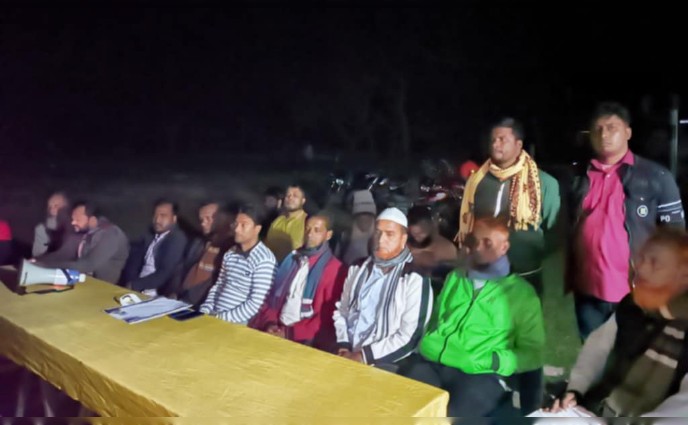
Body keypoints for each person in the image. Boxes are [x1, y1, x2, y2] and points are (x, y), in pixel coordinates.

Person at [567, 102, 685, 339]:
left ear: (628, 132)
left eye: (612, 128)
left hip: (636, 293)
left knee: (631, 354)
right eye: (598, 129)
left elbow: (675, 237)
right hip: (588, 293)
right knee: (592, 354)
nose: (604, 135)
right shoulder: (580, 176)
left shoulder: (656, 177)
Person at [405, 217, 545, 417]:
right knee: (404, 410)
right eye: (474, 241)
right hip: (433, 361)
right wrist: (428, 340)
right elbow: (436, 317)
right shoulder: (456, 277)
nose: (478, 247)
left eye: (487, 243)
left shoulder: (522, 295)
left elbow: (533, 353)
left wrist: (493, 361)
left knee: (449, 418)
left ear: (504, 247)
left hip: (480, 374)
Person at [549, 228, 688, 418]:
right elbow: (597, 348)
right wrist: (576, 390)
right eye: (642, 258)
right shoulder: (631, 307)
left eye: (655, 263)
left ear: (684, 275)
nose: (641, 268)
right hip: (597, 410)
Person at [456, 117, 560, 296]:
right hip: (483, 271)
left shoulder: (543, 183)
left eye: (502, 139)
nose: (496, 144)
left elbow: (555, 230)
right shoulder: (477, 181)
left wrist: (531, 252)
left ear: (518, 145)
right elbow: (470, 221)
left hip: (525, 272)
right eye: (493, 140)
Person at [333, 208, 433, 369]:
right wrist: (343, 345)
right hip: (347, 350)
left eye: (390, 234)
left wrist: (363, 356)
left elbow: (410, 337)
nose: (380, 240)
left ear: (403, 239)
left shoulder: (414, 278)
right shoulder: (358, 268)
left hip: (385, 362)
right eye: (377, 233)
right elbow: (342, 310)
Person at [250, 214, 346, 352]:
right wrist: (270, 323)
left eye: (317, 230)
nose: (310, 234)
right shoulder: (292, 259)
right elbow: (272, 297)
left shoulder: (334, 269)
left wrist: (288, 333)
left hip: (304, 340)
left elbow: (325, 318)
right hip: (275, 328)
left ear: (328, 235)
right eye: (307, 229)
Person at [200, 203, 277, 324]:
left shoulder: (264, 260)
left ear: (257, 229)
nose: (236, 229)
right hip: (215, 315)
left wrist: (220, 318)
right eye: (236, 224)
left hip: (239, 322)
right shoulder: (231, 253)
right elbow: (219, 285)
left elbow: (255, 303)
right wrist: (205, 309)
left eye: (243, 225)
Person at [37, 201, 129, 284]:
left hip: (103, 289)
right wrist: (37, 261)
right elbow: (63, 254)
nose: (73, 222)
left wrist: (44, 265)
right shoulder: (83, 232)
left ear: (92, 220)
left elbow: (88, 265)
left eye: (78, 219)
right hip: (81, 283)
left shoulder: (111, 234)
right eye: (73, 219)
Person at [174, 202, 235, 305]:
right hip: (180, 298)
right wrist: (174, 291)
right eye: (201, 220)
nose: (203, 223)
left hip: (201, 303)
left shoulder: (231, 249)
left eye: (208, 218)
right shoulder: (199, 243)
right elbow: (182, 267)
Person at [123, 199, 188, 296]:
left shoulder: (177, 239)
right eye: (155, 215)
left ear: (174, 219)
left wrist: (135, 285)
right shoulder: (149, 235)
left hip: (155, 293)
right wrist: (130, 282)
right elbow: (134, 262)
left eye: (163, 216)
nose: (157, 220)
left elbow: (164, 273)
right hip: (136, 287)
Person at [406, 205, 457, 274]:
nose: (418, 237)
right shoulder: (404, 244)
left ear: (431, 226)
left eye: (422, 232)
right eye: (415, 234)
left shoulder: (447, 248)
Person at [265, 184, 308, 262]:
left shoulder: (307, 223)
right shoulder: (277, 220)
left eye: (295, 196)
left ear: (303, 201)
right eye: (288, 195)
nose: (290, 198)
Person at [334, 190, 377, 266]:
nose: (365, 220)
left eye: (368, 216)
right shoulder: (346, 234)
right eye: (361, 216)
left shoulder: (379, 237)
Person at [32, 191, 74, 257]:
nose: (52, 210)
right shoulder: (42, 228)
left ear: (66, 207)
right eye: (50, 207)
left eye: (56, 206)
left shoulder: (75, 225)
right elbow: (38, 254)